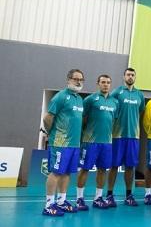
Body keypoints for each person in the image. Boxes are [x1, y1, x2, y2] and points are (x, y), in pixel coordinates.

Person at [41, 69, 85, 216]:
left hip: (74, 144)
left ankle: (61, 201)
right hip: (60, 143)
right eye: (75, 79)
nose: (78, 82)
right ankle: (48, 205)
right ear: (68, 80)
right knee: (56, 172)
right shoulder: (60, 96)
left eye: (81, 79)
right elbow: (47, 118)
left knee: (66, 173)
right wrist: (50, 132)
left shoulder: (79, 99)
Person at [76, 75, 118, 210]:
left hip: (106, 143)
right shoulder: (90, 100)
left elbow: (113, 121)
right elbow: (82, 119)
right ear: (98, 84)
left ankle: (98, 198)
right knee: (85, 169)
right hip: (90, 142)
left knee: (102, 170)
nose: (106, 85)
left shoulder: (115, 102)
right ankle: (79, 199)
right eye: (103, 82)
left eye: (108, 82)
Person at [107, 68, 145, 206]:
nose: (130, 77)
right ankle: (109, 195)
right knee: (114, 166)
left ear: (135, 77)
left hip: (133, 137)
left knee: (130, 167)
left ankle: (129, 195)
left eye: (133, 75)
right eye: (128, 74)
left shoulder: (139, 95)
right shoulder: (117, 92)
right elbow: (110, 108)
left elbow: (140, 112)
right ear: (124, 77)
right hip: (118, 136)